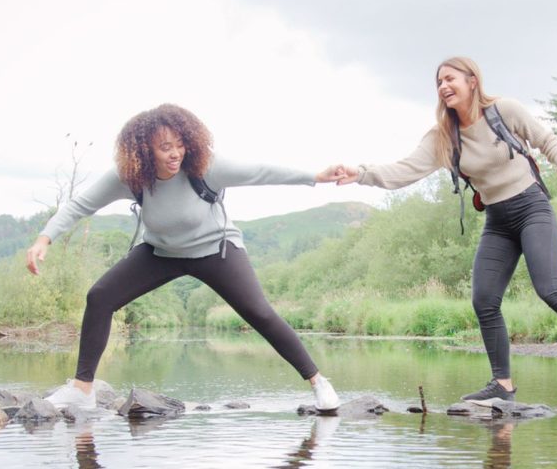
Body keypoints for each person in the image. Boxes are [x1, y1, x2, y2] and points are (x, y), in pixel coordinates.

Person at [335, 57, 557, 402]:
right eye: (439, 83)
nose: (444, 87)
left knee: (551, 289)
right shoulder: (443, 137)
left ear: (472, 81)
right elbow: (403, 171)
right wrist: (358, 173)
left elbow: (545, 139)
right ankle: (502, 385)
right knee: (484, 300)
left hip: (531, 207)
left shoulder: (503, 111)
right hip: (497, 220)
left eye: (450, 79)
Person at [26, 104, 342, 410]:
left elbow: (261, 172)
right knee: (100, 297)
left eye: (180, 145)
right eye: (165, 147)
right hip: (160, 252)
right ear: (145, 150)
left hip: (215, 250)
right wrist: (44, 238)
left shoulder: (206, 167)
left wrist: (315, 175)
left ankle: (317, 381)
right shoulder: (130, 176)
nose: (175, 153)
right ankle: (82, 390)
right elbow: (81, 204)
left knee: (259, 312)